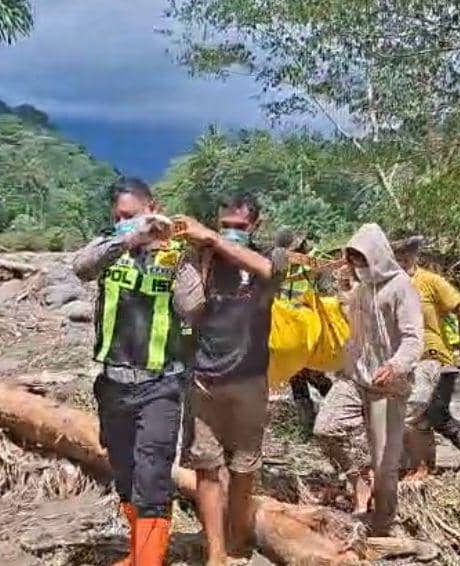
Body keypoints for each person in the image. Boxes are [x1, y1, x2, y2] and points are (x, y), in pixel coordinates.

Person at [72, 178, 205, 566]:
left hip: (159, 385)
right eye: (118, 217)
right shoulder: (110, 248)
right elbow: (81, 267)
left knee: (152, 479)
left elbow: (193, 307)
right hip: (113, 385)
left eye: (131, 216)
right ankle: (138, 553)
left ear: (153, 208)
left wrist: (172, 254)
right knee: (126, 477)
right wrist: (128, 239)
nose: (124, 222)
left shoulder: (175, 255)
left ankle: (148, 560)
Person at [175, 194, 288, 565]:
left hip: (250, 380)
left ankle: (238, 538)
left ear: (254, 226)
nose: (231, 233)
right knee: (207, 469)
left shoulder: (270, 257)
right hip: (204, 380)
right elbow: (187, 309)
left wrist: (211, 238)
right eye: (225, 226)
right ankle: (217, 551)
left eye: (239, 228)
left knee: (243, 469)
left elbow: (271, 272)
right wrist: (197, 256)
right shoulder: (201, 257)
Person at [312, 223, 423, 536]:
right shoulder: (361, 289)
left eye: (362, 259)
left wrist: (397, 364)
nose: (358, 266)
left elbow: (414, 337)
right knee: (326, 428)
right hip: (355, 378)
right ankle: (359, 479)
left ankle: (383, 524)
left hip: (387, 386)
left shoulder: (402, 287)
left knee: (385, 464)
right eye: (353, 260)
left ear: (377, 256)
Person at [393, 235, 460, 482]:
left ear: (415, 254)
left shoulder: (430, 281)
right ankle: (428, 466)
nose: (402, 258)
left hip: (435, 360)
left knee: (424, 416)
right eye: (397, 253)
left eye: (406, 253)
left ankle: (427, 467)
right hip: (407, 363)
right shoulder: (388, 285)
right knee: (432, 417)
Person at [275, 228, 334, 432]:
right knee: (297, 376)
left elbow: (326, 295)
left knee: (313, 374)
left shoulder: (315, 265)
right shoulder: (282, 267)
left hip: (310, 327)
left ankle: (341, 410)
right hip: (289, 329)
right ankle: (307, 426)